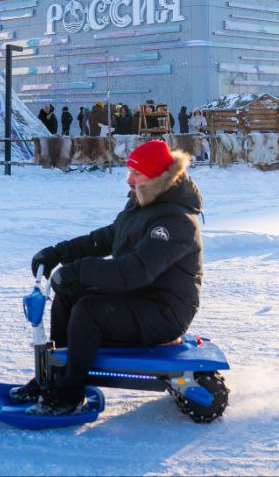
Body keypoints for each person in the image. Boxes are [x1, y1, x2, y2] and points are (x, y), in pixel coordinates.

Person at [13, 139, 202, 415]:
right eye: (130, 172)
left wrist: (77, 271)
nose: (129, 180)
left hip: (165, 311)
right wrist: (56, 254)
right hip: (141, 296)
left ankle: (69, 395)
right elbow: (107, 237)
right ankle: (57, 376)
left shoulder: (175, 221)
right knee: (69, 294)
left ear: (157, 177)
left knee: (89, 311)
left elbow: (134, 271)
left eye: (136, 173)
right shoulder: (145, 200)